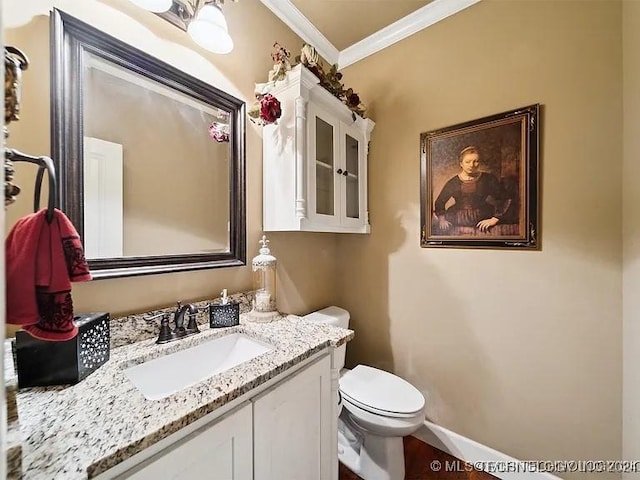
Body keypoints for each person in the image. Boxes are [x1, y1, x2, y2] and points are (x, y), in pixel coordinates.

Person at [433, 146, 508, 233]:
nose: (472, 165)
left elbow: (503, 198)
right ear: (461, 163)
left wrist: (494, 219)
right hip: (457, 218)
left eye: (476, 161)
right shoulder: (453, 182)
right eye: (467, 162)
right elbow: (439, 202)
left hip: (483, 216)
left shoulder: (488, 179)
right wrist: (442, 219)